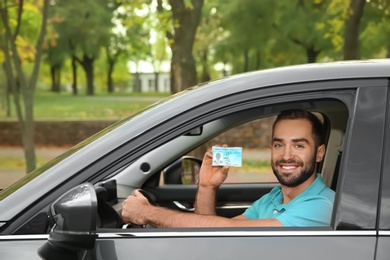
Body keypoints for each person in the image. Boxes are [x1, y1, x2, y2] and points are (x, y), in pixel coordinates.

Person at [121, 109, 335, 228]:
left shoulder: (322, 206)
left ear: (319, 153)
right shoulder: (274, 197)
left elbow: (231, 230)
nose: (286, 155)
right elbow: (217, 234)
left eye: (298, 145)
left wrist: (145, 212)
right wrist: (207, 185)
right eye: (279, 144)